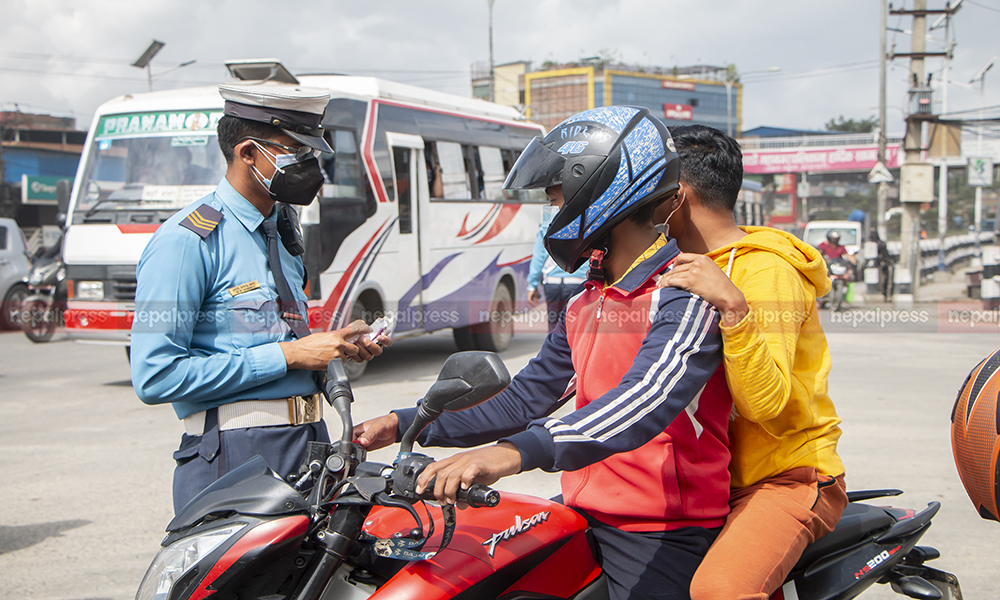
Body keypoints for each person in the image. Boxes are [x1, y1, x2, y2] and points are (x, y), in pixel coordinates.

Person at [354, 107, 734, 600]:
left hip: (660, 528)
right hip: (585, 508)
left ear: (599, 195)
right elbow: (524, 399)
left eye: (555, 202)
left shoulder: (683, 292)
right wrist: (407, 422)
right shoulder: (586, 299)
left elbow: (643, 400)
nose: (551, 218)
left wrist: (514, 452)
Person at [131, 84, 390, 514]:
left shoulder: (283, 228)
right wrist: (288, 356)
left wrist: (334, 349)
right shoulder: (188, 242)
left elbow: (280, 335)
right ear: (248, 153)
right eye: (295, 152)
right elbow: (156, 376)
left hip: (310, 445)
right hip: (237, 456)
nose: (311, 165)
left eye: (312, 153)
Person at [653, 124, 846, 600]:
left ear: (677, 194)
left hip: (785, 477)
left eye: (647, 184)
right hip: (707, 479)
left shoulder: (767, 271)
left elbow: (766, 404)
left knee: (720, 590)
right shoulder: (675, 264)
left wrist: (733, 309)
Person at [526, 205, 588, 331]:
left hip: (552, 281)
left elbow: (539, 256)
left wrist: (533, 284)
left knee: (555, 326)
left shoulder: (547, 222)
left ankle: (555, 350)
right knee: (576, 326)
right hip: (578, 281)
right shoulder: (584, 217)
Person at [869, 227, 894, 302]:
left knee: (886, 280)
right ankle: (884, 294)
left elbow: (884, 255)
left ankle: (887, 295)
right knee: (882, 281)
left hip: (884, 264)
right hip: (879, 264)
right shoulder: (873, 245)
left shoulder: (880, 244)